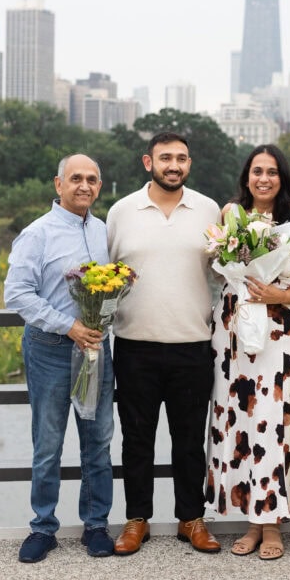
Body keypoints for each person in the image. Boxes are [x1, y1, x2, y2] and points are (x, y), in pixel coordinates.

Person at [107, 131, 223, 555]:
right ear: (147, 162)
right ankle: (137, 519)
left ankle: (191, 519)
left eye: (181, 158)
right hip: (134, 344)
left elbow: (225, 269)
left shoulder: (208, 209)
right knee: (136, 439)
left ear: (189, 164)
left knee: (190, 438)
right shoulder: (121, 212)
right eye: (165, 158)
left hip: (192, 343)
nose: (174, 165)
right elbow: (107, 273)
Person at [205, 144, 290, 560]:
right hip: (233, 330)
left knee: (272, 421)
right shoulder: (229, 215)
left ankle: (270, 522)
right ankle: (249, 520)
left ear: (282, 177)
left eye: (272, 171)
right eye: (257, 171)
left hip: (281, 332)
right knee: (235, 419)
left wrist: (277, 293)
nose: (264, 179)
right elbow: (218, 264)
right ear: (247, 176)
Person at [4, 154, 115, 563]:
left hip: (96, 351)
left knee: (98, 442)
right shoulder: (38, 233)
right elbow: (16, 293)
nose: (83, 186)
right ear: (58, 184)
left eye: (91, 179)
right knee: (48, 443)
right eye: (75, 179)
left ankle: (97, 525)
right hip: (50, 350)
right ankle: (43, 527)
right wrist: (66, 326)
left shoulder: (103, 231)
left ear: (99, 187)